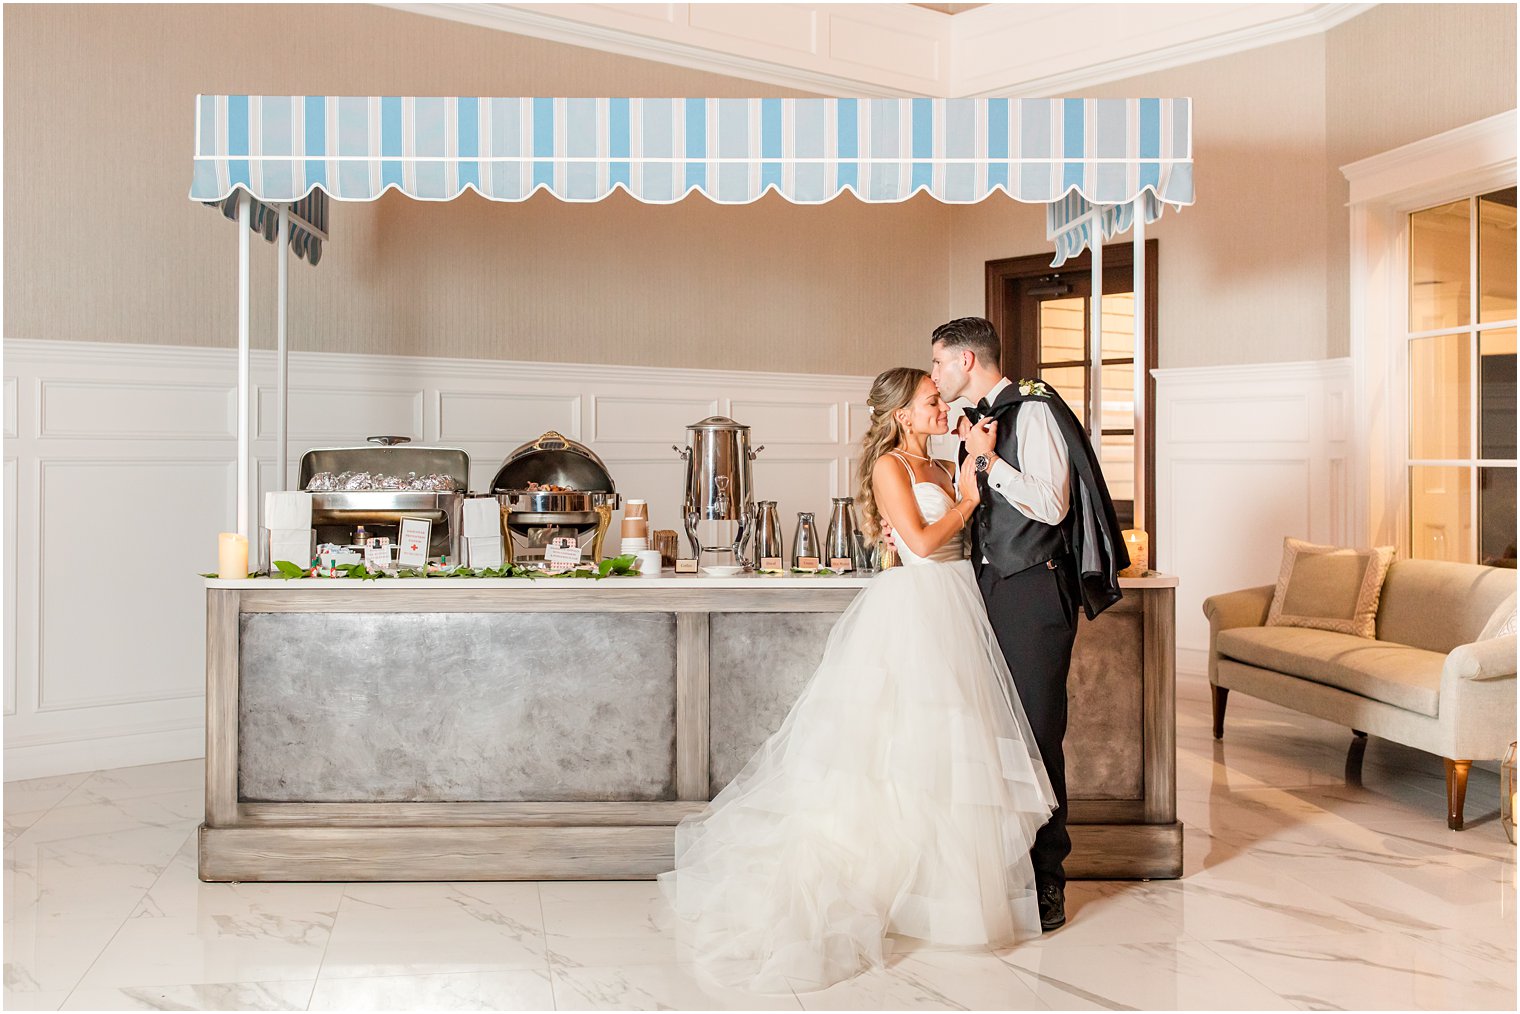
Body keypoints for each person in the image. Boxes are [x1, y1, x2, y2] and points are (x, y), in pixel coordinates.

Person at [657, 367, 1056, 995]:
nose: (941, 407)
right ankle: (881, 891)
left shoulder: (947, 463)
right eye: (931, 401)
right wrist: (974, 498)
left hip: (960, 604)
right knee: (895, 748)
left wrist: (975, 473)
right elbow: (921, 544)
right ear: (902, 414)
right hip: (916, 608)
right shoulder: (891, 467)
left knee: (949, 751)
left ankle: (941, 897)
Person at [925, 315, 1130, 934]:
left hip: (1034, 591)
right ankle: (1004, 876)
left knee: (1038, 736)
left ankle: (1048, 882)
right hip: (984, 591)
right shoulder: (972, 424)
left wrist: (990, 462)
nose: (934, 374)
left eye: (938, 363)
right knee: (992, 739)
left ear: (966, 361)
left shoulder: (1033, 413)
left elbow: (1052, 505)